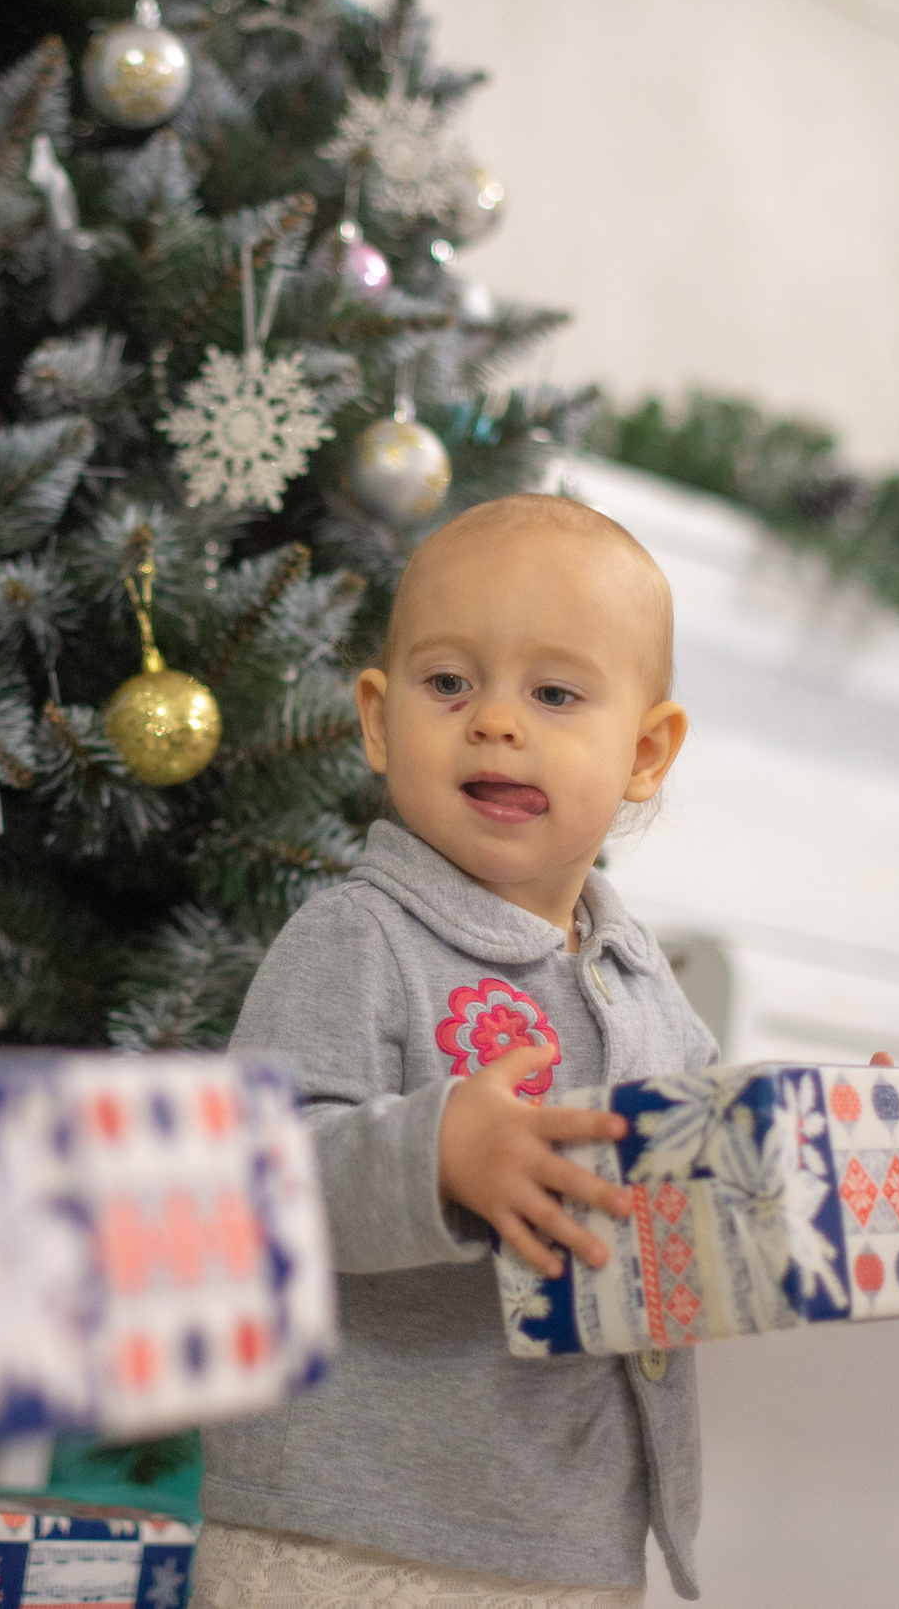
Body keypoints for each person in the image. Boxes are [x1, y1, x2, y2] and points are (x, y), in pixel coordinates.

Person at [195, 493, 712, 1607]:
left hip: (567, 1533)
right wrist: (434, 1154)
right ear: (378, 720)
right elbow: (244, 1177)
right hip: (344, 1538)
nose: (494, 721)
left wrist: (822, 1139)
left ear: (645, 749)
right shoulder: (357, 935)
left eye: (555, 692)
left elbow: (700, 1171)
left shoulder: (641, 977)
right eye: (448, 684)